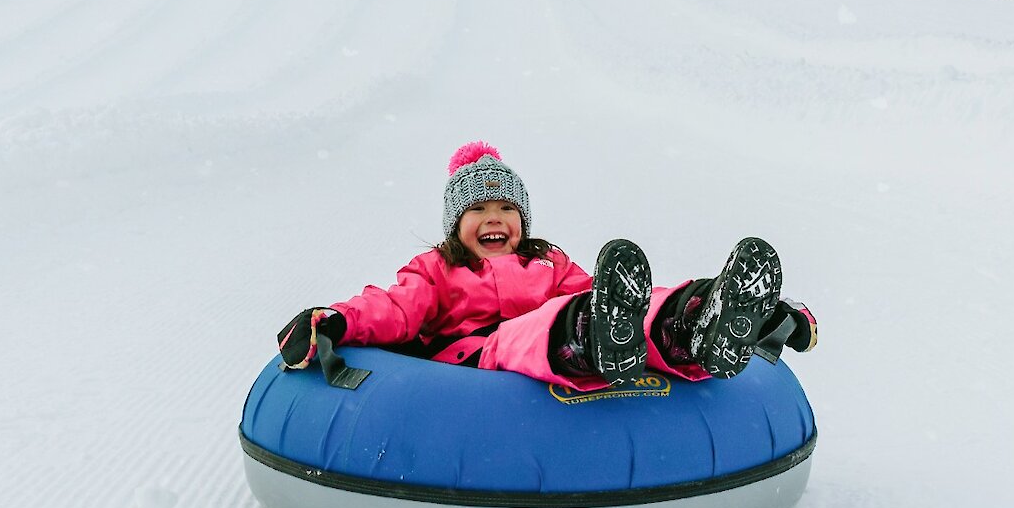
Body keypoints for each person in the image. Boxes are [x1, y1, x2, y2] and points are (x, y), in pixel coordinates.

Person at [275, 143, 817, 392]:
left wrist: (644, 307)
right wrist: (337, 320)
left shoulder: (547, 261)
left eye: (507, 209)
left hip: (572, 315)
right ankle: (591, 339)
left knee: (635, 304)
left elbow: (601, 293)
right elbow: (393, 307)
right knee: (534, 330)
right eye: (479, 210)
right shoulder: (436, 269)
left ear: (524, 219)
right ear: (453, 224)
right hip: (483, 354)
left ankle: (704, 320)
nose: (495, 220)